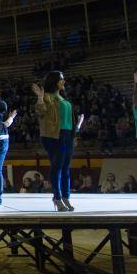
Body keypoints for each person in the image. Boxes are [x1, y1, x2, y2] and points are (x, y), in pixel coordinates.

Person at [33, 71, 84, 212]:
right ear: (54, 81)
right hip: (53, 136)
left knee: (66, 167)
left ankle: (66, 197)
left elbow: (69, 120)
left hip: (67, 135)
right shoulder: (47, 97)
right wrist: (40, 97)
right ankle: (57, 197)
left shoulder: (63, 98)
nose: (64, 82)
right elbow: (40, 111)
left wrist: (75, 133)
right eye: (61, 79)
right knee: (58, 166)